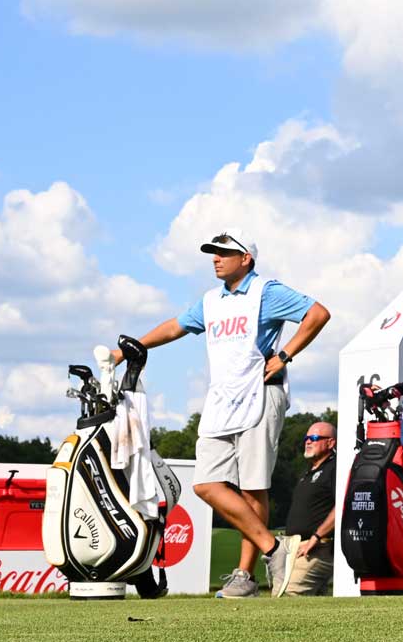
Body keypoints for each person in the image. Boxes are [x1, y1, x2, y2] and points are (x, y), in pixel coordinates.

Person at [120, 228, 330, 598]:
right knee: (205, 483)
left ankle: (244, 577)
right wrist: (131, 348)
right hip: (222, 398)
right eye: (213, 253)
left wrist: (284, 355)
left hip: (260, 394)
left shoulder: (267, 291)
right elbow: (175, 326)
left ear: (246, 258)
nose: (216, 258)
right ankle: (274, 548)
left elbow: (317, 314)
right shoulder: (211, 300)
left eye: (224, 252)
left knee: (253, 487)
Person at [279, 421, 341, 596]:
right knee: (315, 603)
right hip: (298, 547)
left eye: (314, 438)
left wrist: (316, 536)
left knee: (289, 594)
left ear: (330, 442)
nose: (308, 441)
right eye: (306, 438)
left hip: (317, 548)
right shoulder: (309, 471)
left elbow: (342, 505)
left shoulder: (335, 468)